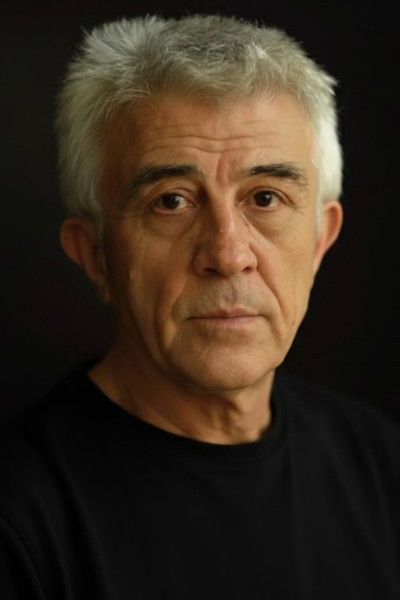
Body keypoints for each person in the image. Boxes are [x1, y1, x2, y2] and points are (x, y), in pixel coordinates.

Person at [0, 14, 398, 599]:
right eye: (171, 202)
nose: (228, 254)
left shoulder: (384, 466)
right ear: (95, 255)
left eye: (266, 197)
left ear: (319, 240)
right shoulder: (19, 523)